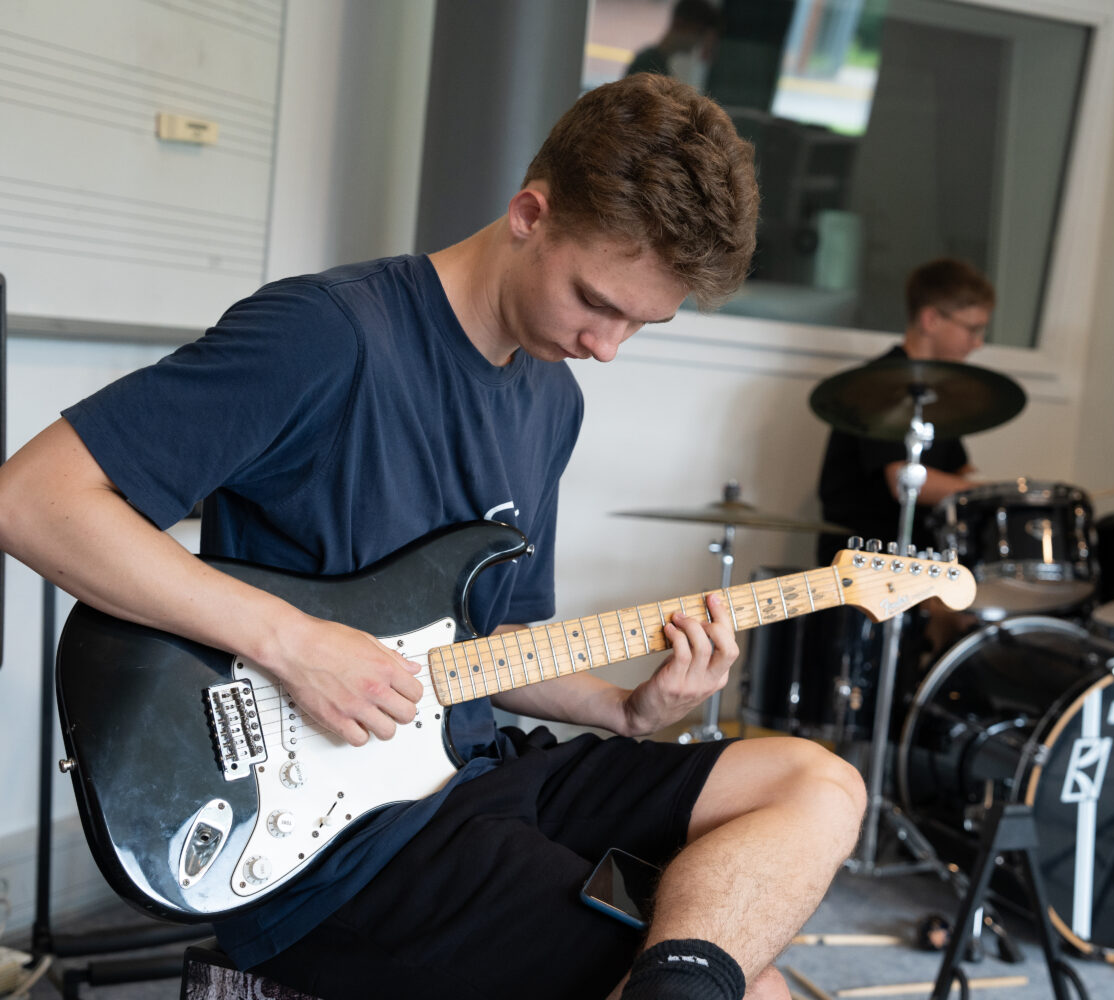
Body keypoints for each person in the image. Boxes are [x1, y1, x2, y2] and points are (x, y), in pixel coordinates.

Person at [0, 74, 865, 1000]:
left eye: (639, 325)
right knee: (761, 990)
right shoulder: (327, 336)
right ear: (531, 213)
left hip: (472, 772)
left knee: (816, 783)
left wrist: (624, 710)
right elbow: (32, 498)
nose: (607, 345)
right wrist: (293, 644)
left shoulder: (550, 400)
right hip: (339, 844)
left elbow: (487, 646)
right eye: (595, 301)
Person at [815, 257, 994, 567]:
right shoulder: (880, 385)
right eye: (972, 329)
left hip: (918, 561)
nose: (977, 343)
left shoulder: (936, 392)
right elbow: (904, 480)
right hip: (866, 566)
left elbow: (959, 472)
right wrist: (986, 493)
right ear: (931, 320)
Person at [626, 0, 722, 91]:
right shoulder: (650, 67)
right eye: (699, 34)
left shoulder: (655, 63)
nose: (698, 42)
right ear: (680, 24)